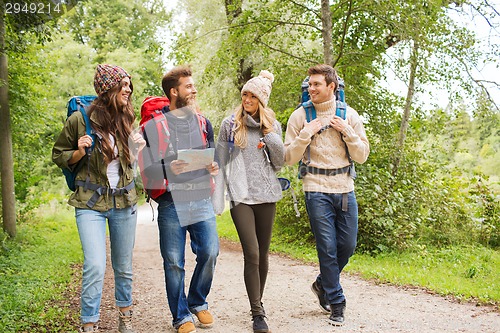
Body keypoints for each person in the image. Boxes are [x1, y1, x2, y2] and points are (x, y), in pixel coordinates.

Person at [52, 64, 145, 333]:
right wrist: (79, 151)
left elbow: (128, 167)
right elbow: (58, 155)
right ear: (108, 89)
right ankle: (89, 323)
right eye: (123, 84)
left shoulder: (127, 118)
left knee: (123, 266)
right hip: (89, 203)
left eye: (129, 84)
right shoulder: (79, 120)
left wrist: (136, 150)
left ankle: (125, 316)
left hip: (123, 202)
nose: (128, 89)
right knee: (94, 264)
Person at [284, 64, 369, 326]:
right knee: (327, 248)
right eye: (309, 84)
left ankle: (322, 284)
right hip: (315, 187)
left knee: (347, 246)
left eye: (317, 84)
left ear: (331, 86)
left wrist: (349, 132)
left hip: (344, 188)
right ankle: (337, 301)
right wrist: (305, 135)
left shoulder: (349, 115)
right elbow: (288, 158)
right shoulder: (300, 117)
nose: (311, 89)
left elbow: (362, 156)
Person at [140, 65, 219, 333]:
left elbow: (213, 155)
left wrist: (213, 165)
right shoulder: (153, 127)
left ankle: (197, 301)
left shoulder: (202, 121)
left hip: (200, 197)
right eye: (188, 86)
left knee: (210, 251)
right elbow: (146, 170)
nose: (194, 90)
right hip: (171, 202)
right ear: (174, 91)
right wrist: (167, 168)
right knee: (174, 261)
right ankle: (181, 316)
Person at [213, 70, 285, 333]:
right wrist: (217, 199)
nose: (247, 98)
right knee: (252, 252)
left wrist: (271, 140)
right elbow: (220, 162)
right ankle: (257, 312)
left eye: (253, 95)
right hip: (240, 195)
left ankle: (258, 304)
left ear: (262, 99)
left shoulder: (273, 126)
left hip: (266, 195)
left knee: (263, 255)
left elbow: (279, 164)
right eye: (245, 93)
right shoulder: (229, 124)